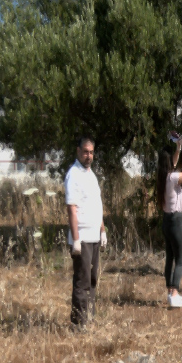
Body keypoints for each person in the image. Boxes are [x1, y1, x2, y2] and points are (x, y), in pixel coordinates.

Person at [65, 135, 106, 328]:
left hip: (94, 235)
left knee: (92, 280)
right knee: (82, 281)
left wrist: (102, 230)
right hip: (82, 237)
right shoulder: (73, 175)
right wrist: (76, 239)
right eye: (85, 152)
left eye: (91, 152)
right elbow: (71, 209)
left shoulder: (91, 175)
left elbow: (97, 206)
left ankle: (89, 317)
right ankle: (78, 323)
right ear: (78, 151)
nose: (88, 156)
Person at [157, 138, 182, 307]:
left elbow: (172, 163)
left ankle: (169, 291)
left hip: (166, 221)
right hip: (176, 220)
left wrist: (178, 148)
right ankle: (175, 293)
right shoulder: (173, 177)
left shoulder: (162, 177)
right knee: (180, 257)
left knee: (170, 257)